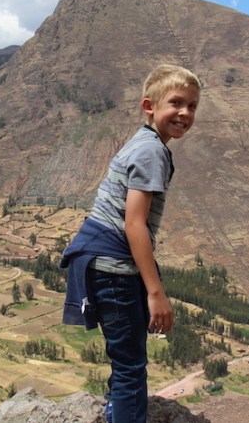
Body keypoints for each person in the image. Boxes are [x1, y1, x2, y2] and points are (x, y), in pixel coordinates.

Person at [60, 64, 201, 423]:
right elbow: (134, 224)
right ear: (149, 106)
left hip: (104, 261)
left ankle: (115, 409)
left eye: (193, 106)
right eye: (176, 102)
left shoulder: (145, 143)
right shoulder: (151, 151)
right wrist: (155, 292)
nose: (185, 113)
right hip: (113, 267)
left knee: (125, 356)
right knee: (131, 365)